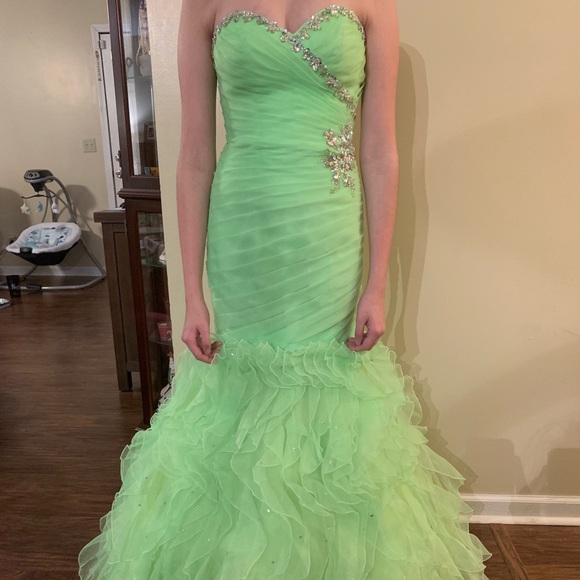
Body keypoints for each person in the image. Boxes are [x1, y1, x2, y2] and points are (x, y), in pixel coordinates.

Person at [78, 1, 492, 577]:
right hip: (245, 230)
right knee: (242, 392)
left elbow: (379, 152)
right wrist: (191, 293)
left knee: (329, 390)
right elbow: (194, 157)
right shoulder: (205, 4)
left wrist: (377, 284)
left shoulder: (374, 4)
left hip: (328, 229)